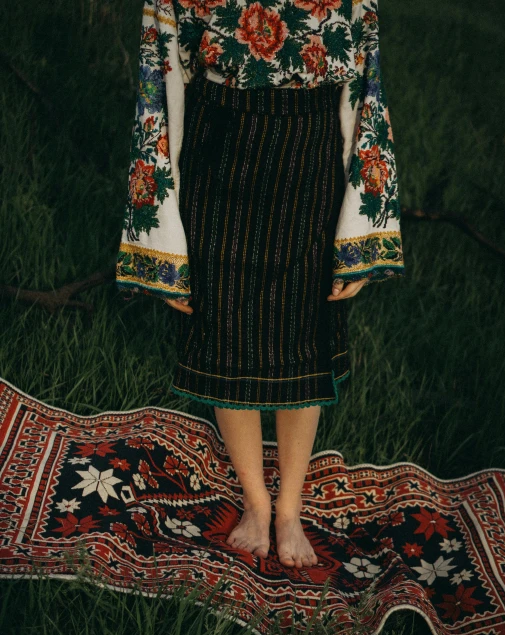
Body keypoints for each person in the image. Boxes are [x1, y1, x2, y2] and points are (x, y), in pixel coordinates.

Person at [116, 0, 405, 569]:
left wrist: (364, 224)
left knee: (303, 326)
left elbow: (367, 80)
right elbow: (160, 69)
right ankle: (255, 501)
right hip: (218, 139)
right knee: (226, 322)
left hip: (311, 144)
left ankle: (290, 506)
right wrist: (162, 243)